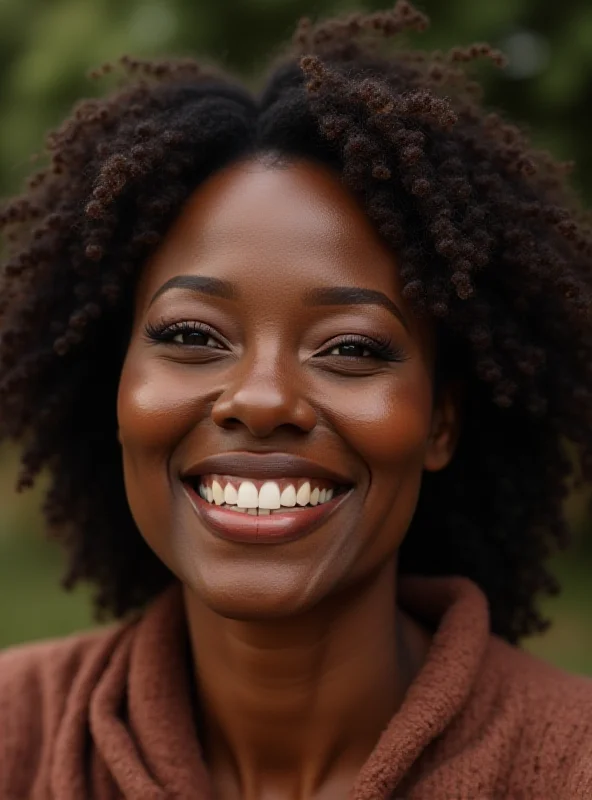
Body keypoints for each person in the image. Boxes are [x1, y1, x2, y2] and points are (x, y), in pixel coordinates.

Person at [1, 2, 592, 797]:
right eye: (191, 335)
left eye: (350, 347)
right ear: (118, 389)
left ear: (441, 421)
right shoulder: (18, 738)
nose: (262, 398)